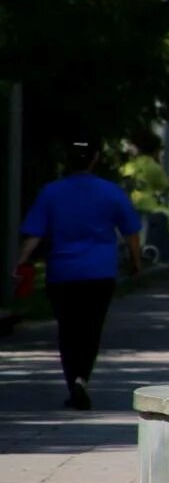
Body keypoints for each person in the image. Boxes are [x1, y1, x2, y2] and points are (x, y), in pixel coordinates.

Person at [16, 141, 143, 410]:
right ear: (95, 158)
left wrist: (20, 263)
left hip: (62, 272)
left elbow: (35, 233)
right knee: (91, 328)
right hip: (100, 272)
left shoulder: (51, 192)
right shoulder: (111, 192)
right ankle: (83, 378)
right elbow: (131, 231)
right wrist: (136, 261)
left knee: (68, 329)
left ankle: (72, 378)